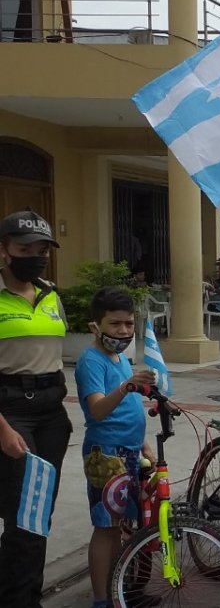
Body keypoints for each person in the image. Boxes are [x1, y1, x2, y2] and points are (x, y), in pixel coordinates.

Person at [0, 209, 71, 608]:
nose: (36, 255)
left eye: (42, 248)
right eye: (25, 248)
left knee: (39, 514)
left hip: (51, 415)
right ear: (4, 250)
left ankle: (27, 594)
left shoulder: (51, 295)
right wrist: (3, 430)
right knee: (23, 519)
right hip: (12, 412)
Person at [74, 287, 156, 608]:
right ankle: (100, 600)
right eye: (114, 324)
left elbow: (129, 409)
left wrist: (144, 445)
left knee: (125, 524)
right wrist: (126, 386)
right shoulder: (91, 361)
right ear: (96, 325)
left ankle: (122, 590)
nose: (123, 331)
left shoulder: (119, 357)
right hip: (105, 454)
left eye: (128, 324)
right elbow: (97, 410)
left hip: (130, 450)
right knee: (106, 528)